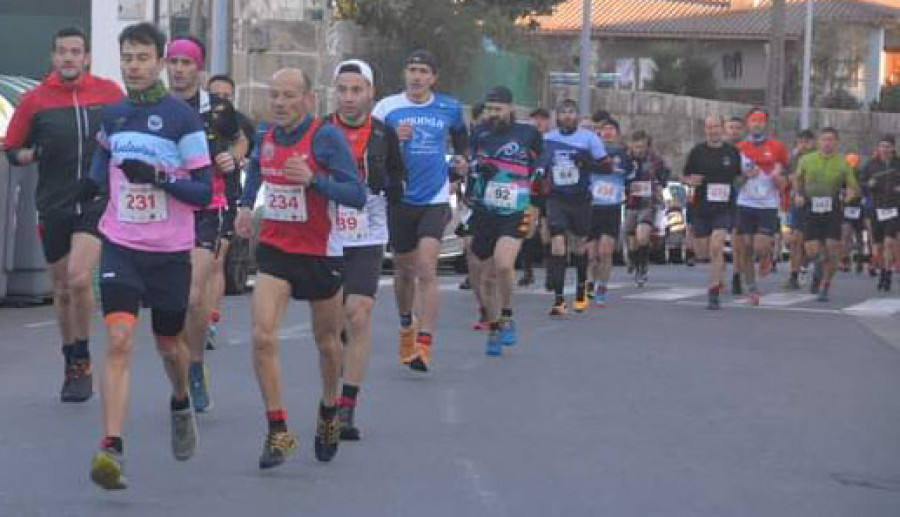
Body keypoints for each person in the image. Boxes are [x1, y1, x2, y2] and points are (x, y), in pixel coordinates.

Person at [85, 22, 212, 490]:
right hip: (120, 243)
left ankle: (180, 398)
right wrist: (90, 184)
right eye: (126, 57)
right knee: (118, 339)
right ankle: (111, 445)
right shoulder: (113, 115)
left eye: (141, 58)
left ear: (159, 62)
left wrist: (159, 177)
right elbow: (102, 162)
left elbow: (202, 192)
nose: (132, 66)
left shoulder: (182, 119)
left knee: (168, 346)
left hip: (170, 251)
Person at [235, 67, 366, 469]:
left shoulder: (325, 137)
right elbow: (257, 166)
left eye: (289, 96)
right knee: (261, 336)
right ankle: (278, 430)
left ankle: (329, 409)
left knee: (327, 342)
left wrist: (314, 181)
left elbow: (356, 195)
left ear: (309, 100)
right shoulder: (265, 134)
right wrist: (244, 204)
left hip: (319, 253)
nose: (280, 103)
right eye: (274, 95)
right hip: (275, 247)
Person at [2, 27, 122, 403]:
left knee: (79, 278)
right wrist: (35, 154)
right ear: (53, 57)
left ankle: (84, 356)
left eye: (75, 52)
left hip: (95, 201)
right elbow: (11, 151)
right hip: (53, 203)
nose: (68, 58)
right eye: (62, 52)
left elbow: (128, 136)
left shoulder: (108, 94)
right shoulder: (34, 101)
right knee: (61, 289)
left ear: (86, 57)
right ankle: (71, 356)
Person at [166, 36, 248, 413]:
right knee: (175, 299)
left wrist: (233, 156)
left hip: (209, 205)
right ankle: (182, 368)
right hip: (166, 207)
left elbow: (241, 140)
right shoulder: (156, 107)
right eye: (174, 62)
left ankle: (195, 367)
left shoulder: (218, 109)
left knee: (194, 296)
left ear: (198, 69)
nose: (180, 69)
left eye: (187, 62)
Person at [372, 50, 468, 372]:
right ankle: (405, 326)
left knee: (427, 268)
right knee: (403, 273)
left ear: (433, 77)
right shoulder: (387, 107)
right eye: (411, 70)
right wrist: (389, 138)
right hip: (400, 197)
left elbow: (461, 141)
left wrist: (461, 162)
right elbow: (368, 148)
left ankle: (424, 343)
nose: (416, 76)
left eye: (423, 71)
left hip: (434, 196)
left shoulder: (449, 107)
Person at [326, 59, 405, 440]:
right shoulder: (321, 130)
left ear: (371, 93)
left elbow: (397, 176)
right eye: (342, 90)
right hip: (327, 232)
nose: (349, 98)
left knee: (358, 313)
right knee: (334, 322)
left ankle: (346, 409)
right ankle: (332, 383)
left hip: (369, 232)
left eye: (357, 90)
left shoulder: (383, 133)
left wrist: (390, 186)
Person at [467, 86, 541, 355]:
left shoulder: (528, 134)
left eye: (498, 109)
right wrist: (475, 170)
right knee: (484, 276)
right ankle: (495, 325)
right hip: (486, 210)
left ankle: (508, 314)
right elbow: (471, 165)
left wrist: (535, 207)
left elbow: (538, 170)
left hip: (515, 208)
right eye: (489, 109)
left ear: (510, 108)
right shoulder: (479, 133)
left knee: (504, 264)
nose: (492, 114)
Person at [541, 99, 608, 315]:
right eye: (563, 113)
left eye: (571, 113)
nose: (568, 116)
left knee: (579, 246)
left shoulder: (589, 139)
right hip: (557, 198)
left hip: (580, 199)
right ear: (557, 117)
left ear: (577, 116)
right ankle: (559, 299)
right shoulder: (547, 139)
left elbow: (606, 166)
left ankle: (580, 288)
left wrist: (588, 162)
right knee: (558, 243)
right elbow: (538, 166)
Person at [205, 73, 257, 350]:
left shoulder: (241, 123)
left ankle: (210, 322)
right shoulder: (197, 116)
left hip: (228, 194)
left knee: (216, 258)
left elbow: (256, 154)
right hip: (196, 195)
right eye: (216, 95)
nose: (220, 101)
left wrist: (238, 159)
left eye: (226, 96)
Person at [683, 116, 742, 309]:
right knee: (703, 251)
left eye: (715, 127)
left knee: (717, 246)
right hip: (701, 207)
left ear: (722, 129)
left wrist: (747, 179)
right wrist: (689, 181)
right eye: (709, 127)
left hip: (724, 207)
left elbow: (739, 178)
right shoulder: (697, 152)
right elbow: (684, 175)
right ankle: (719, 271)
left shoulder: (732, 152)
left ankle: (713, 290)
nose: (712, 130)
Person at [794, 127, 858, 301]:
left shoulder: (843, 163)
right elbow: (798, 180)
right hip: (811, 208)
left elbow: (852, 186)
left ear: (836, 143)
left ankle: (825, 286)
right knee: (812, 250)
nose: (827, 143)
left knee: (832, 249)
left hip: (832, 210)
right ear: (818, 142)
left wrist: (850, 195)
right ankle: (818, 266)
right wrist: (798, 194)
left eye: (831, 140)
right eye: (824, 139)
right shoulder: (807, 160)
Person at [734, 108, 789, 305]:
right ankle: (752, 289)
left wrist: (779, 180)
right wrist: (744, 176)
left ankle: (766, 255)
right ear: (748, 124)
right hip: (745, 202)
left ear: (765, 124)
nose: (756, 124)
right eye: (753, 121)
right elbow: (734, 181)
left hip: (767, 203)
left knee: (759, 245)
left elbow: (786, 175)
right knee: (746, 247)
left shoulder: (777, 147)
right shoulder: (739, 148)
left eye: (760, 121)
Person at [587, 118, 629, 307]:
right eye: (604, 129)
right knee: (591, 255)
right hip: (592, 208)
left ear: (617, 132)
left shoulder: (623, 154)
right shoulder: (591, 152)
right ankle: (589, 284)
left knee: (605, 252)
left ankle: (602, 288)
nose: (607, 132)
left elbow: (631, 176)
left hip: (611, 208)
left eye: (611, 129)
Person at [622, 130, 669, 287]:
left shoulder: (656, 160)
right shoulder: (626, 159)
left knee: (642, 235)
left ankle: (642, 269)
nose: (639, 150)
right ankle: (633, 257)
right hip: (631, 203)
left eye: (642, 147)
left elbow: (664, 178)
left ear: (647, 146)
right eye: (636, 147)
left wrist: (659, 184)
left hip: (648, 203)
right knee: (631, 239)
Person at [861, 135, 900, 292]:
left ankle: (887, 273)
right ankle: (883, 270)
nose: (884, 149)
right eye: (881, 146)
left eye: (887, 146)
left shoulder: (898, 164)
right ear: (878, 148)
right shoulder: (870, 165)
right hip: (876, 208)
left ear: (893, 148)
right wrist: (867, 185)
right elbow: (861, 183)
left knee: (890, 242)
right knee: (879, 245)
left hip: (895, 208)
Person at [783, 129, 816, 290]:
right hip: (797, 203)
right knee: (795, 240)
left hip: (815, 203)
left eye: (807, 142)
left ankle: (809, 268)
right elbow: (787, 178)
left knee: (811, 244)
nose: (804, 145)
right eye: (800, 142)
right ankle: (793, 275)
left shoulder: (819, 158)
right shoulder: (793, 159)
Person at [724, 116, 747, 293]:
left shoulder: (747, 150)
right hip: (720, 199)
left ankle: (737, 274)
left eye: (737, 128)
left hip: (742, 199)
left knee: (738, 238)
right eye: (731, 128)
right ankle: (720, 273)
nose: (734, 131)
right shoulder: (719, 149)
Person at [840, 152, 866, 273]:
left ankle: (860, 259)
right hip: (847, 207)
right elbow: (839, 189)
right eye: (849, 161)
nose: (851, 164)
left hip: (859, 207)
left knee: (859, 234)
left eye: (853, 161)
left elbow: (863, 190)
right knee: (846, 234)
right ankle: (845, 260)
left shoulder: (861, 174)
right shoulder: (843, 174)